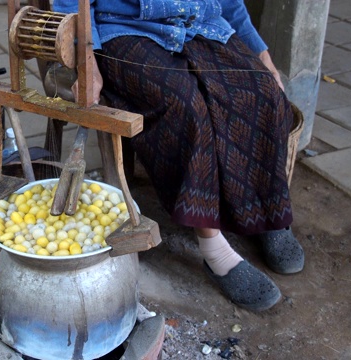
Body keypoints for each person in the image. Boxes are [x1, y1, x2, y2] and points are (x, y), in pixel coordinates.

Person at [52, 0, 304, 312]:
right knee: (187, 106)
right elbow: (70, 3)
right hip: (125, 31)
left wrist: (262, 54)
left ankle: (265, 213)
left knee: (264, 93)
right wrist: (85, 59)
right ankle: (215, 249)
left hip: (202, 25)